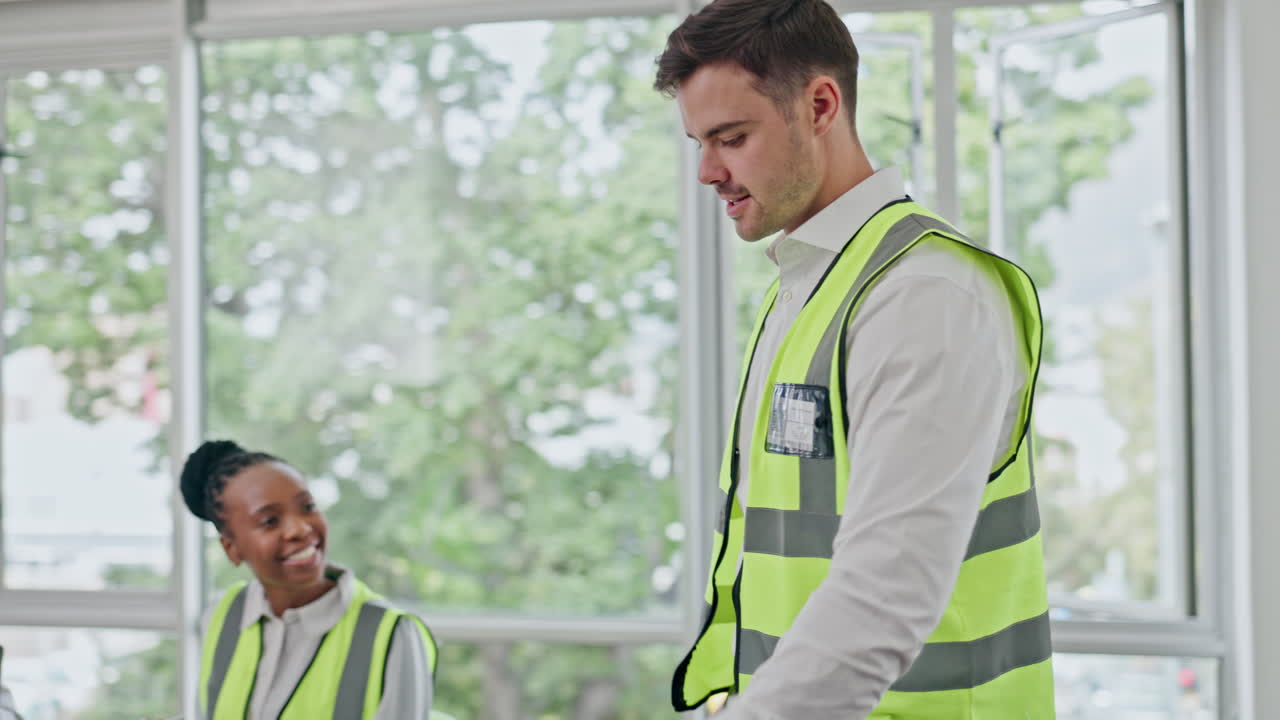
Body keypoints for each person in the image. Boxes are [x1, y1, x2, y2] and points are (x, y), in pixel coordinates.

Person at [653, 1, 1054, 718]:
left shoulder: (923, 297)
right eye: (699, 144)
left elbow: (884, 595)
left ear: (820, 104)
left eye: (731, 138)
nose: (708, 172)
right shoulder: (811, 286)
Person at [181, 440, 438, 719]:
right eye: (270, 521)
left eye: (307, 506)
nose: (300, 529)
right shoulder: (222, 615)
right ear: (232, 549)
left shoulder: (392, 635)